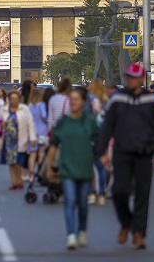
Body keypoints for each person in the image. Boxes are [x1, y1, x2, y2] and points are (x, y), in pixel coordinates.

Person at [96, 63, 154, 250]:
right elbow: (107, 127)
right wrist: (101, 151)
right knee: (119, 191)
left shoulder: (151, 100)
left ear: (141, 78)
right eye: (128, 76)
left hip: (145, 153)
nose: (131, 79)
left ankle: (139, 233)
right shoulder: (117, 99)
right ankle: (126, 223)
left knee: (142, 194)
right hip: (122, 152)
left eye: (135, 77)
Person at [46, 87, 99, 250]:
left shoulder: (90, 121)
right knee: (69, 200)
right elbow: (54, 146)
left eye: (77, 99)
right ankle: (71, 235)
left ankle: (82, 231)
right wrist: (49, 168)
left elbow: (97, 146)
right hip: (66, 169)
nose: (73, 102)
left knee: (82, 203)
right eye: (71, 99)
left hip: (84, 168)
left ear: (83, 102)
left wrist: (96, 171)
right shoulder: (63, 121)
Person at [0, 91, 36, 189]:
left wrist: (32, 137)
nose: (14, 101)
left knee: (18, 161)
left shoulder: (24, 109)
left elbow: (30, 124)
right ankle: (14, 182)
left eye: (16, 99)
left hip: (20, 138)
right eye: (12, 99)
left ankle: (19, 179)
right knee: (11, 161)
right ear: (9, 100)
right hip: (8, 139)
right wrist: (0, 126)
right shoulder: (5, 110)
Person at [87, 79, 108, 205]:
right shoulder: (106, 100)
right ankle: (102, 193)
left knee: (89, 166)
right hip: (103, 135)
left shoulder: (88, 99)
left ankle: (91, 192)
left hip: (89, 135)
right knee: (101, 166)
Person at [27, 89, 48, 180]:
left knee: (32, 154)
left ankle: (31, 174)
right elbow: (44, 116)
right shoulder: (42, 105)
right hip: (42, 131)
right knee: (41, 152)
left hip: (32, 132)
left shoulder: (30, 106)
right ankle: (40, 173)